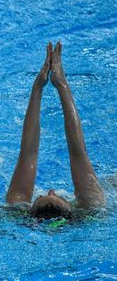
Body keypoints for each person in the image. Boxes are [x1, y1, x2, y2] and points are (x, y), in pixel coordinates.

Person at [6, 42, 105, 219]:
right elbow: (78, 153)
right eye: (55, 194)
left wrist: (37, 89)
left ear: (30, 212)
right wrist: (61, 84)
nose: (51, 189)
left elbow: (29, 153)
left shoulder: (92, 210)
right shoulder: (94, 209)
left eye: (43, 195)